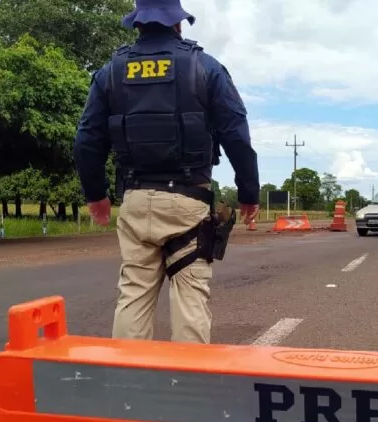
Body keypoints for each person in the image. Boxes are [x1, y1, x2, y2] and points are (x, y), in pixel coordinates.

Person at [73, 0, 260, 344]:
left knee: (133, 294)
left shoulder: (110, 73)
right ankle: (188, 387)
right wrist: (249, 193)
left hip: (136, 199)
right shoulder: (205, 67)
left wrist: (96, 195)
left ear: (138, 23)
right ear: (178, 24)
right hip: (188, 202)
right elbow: (237, 135)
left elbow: (86, 140)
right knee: (190, 298)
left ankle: (129, 387)